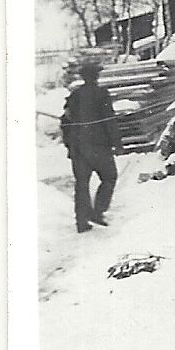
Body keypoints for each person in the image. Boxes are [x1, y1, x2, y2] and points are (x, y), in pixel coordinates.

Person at [61, 62, 121, 233]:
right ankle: (98, 211)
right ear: (96, 76)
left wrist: (70, 145)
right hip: (99, 147)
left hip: (78, 148)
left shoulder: (74, 96)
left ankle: (81, 222)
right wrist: (117, 143)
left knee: (81, 184)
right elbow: (109, 120)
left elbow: (64, 122)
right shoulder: (101, 94)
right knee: (109, 177)